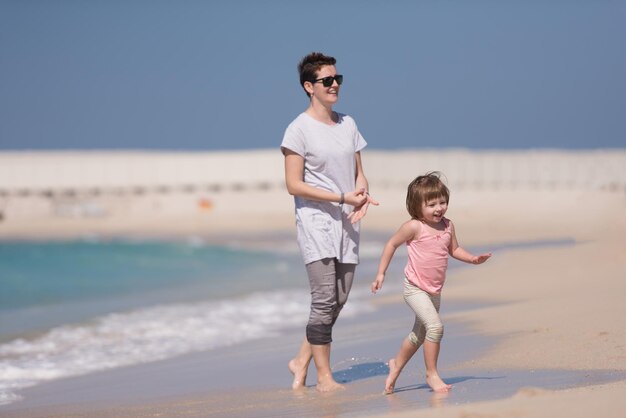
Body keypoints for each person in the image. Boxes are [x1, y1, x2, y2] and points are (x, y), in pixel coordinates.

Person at [281, 51, 378, 392]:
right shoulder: (298, 130)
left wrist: (362, 190)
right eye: (327, 80)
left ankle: (301, 359)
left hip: (348, 219)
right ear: (309, 87)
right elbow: (293, 184)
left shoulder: (347, 123)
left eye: (338, 78)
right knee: (323, 299)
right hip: (316, 221)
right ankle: (324, 377)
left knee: (340, 297)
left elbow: (358, 171)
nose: (335, 84)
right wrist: (340, 197)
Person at [371, 172, 491, 394]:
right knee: (435, 327)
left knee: (419, 335)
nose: (439, 208)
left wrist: (473, 259)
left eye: (442, 202)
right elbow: (391, 244)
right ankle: (432, 374)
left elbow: (454, 249)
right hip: (414, 288)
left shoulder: (447, 226)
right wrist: (381, 273)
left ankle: (396, 364)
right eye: (432, 204)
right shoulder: (413, 227)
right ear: (417, 207)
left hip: (434, 291)